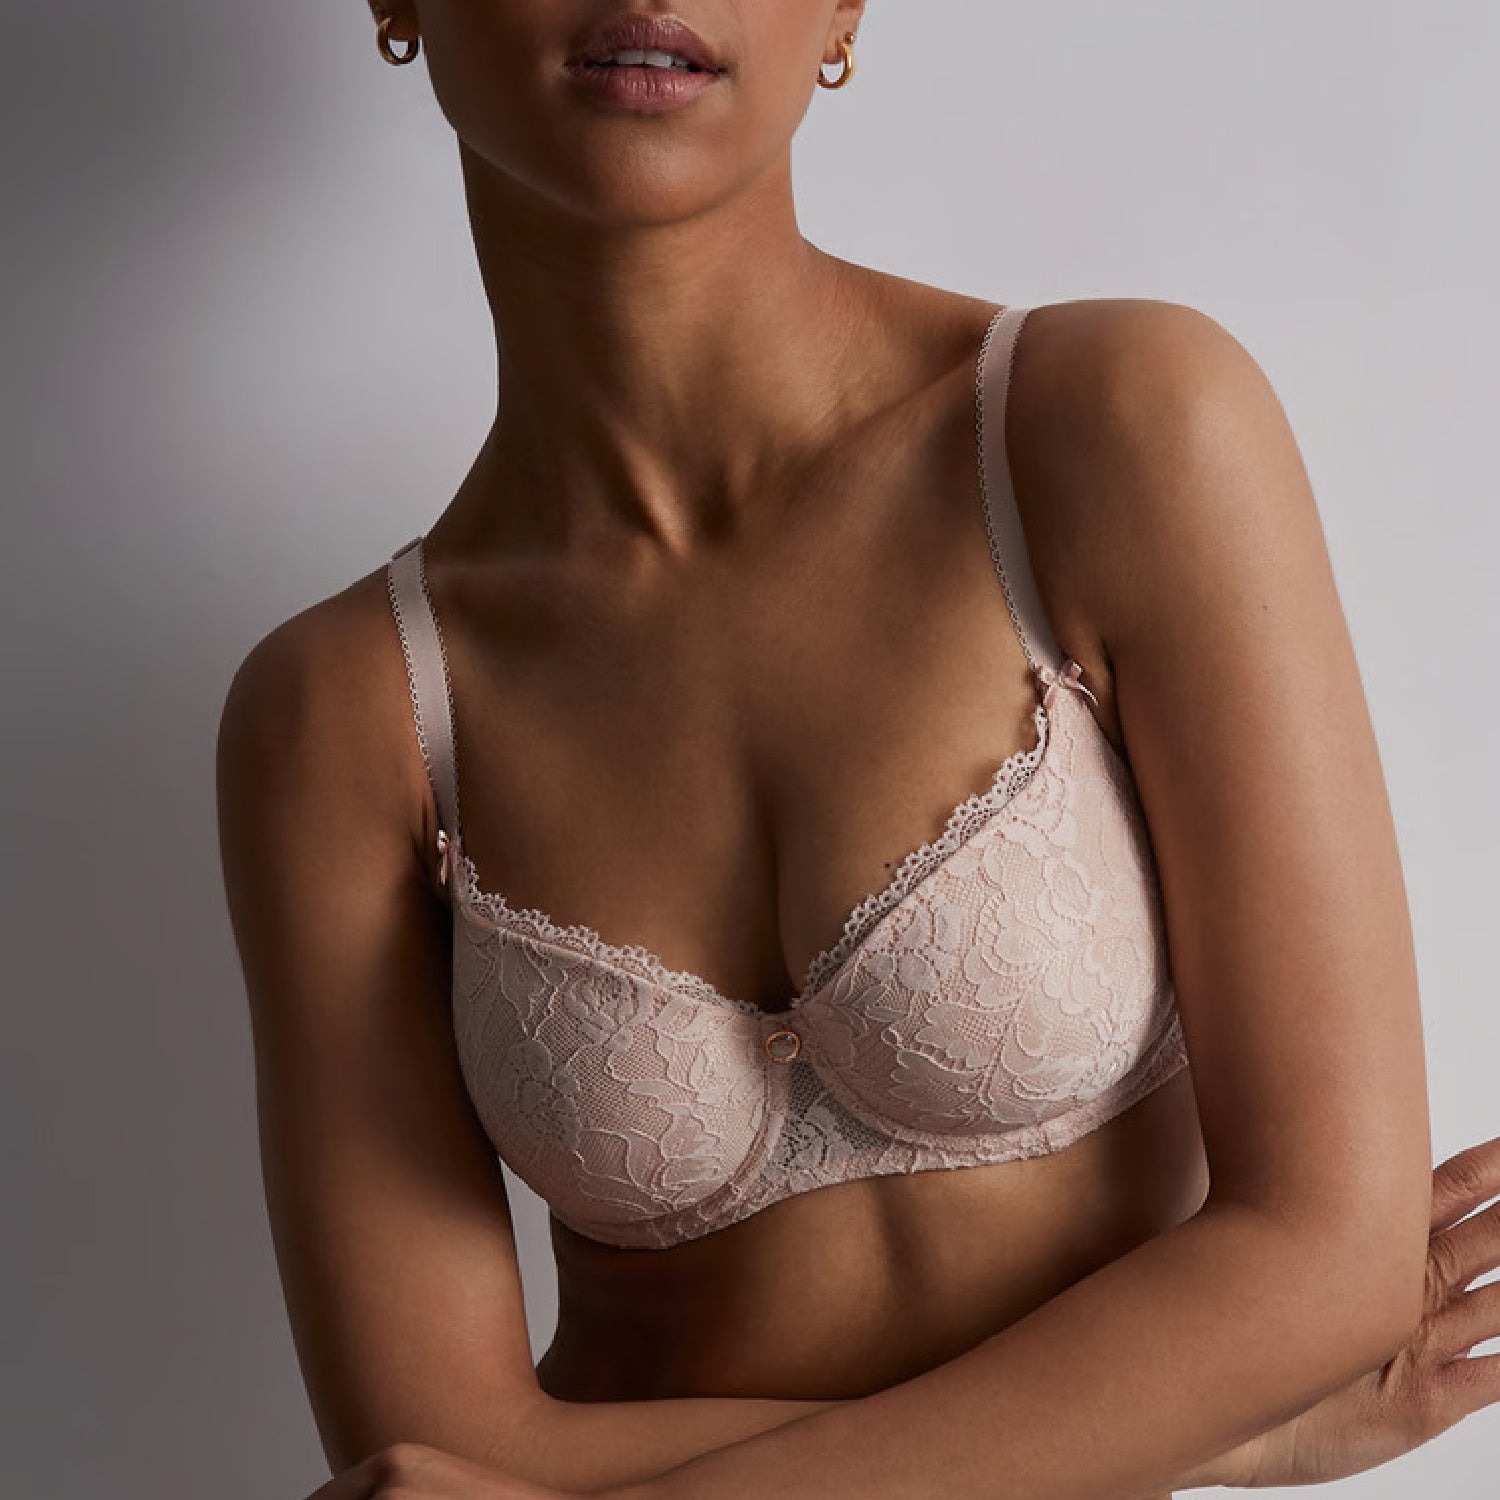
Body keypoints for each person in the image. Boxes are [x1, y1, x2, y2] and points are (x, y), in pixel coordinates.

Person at [214, 5, 1500, 1497]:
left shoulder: (1110, 428)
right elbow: (433, 1454)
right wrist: (1223, 1419)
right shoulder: (344, 713)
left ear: (842, 8)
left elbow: (1329, 1255)